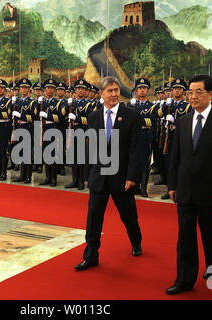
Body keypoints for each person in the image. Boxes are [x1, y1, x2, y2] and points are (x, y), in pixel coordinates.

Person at [166, 74, 212, 295]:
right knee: (185, 237)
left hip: (211, 190)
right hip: (185, 190)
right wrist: (172, 184)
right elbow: (175, 157)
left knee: (211, 234)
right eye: (190, 92)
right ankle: (184, 279)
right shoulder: (184, 120)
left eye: (199, 92)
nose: (193, 96)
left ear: (211, 94)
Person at [74, 76, 143, 271]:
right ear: (101, 94)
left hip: (121, 177)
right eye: (109, 91)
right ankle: (91, 256)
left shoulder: (132, 116)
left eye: (116, 90)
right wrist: (88, 174)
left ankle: (136, 241)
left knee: (128, 214)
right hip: (99, 175)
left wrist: (132, 177)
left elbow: (135, 150)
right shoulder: (94, 116)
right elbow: (91, 147)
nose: (114, 94)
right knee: (93, 217)